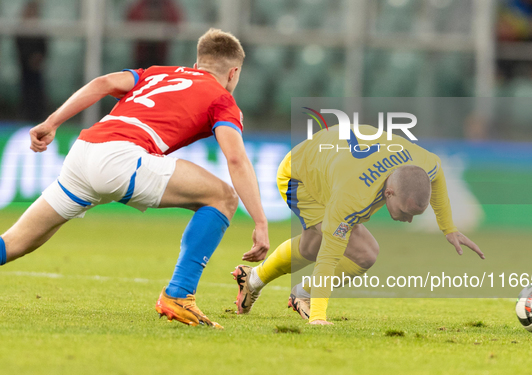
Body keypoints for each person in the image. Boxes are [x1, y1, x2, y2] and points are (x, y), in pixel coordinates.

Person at [0, 28, 270, 329]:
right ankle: (179, 295)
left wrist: (52, 123)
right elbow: (236, 158)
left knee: (15, 242)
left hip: (83, 152)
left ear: (197, 64)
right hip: (121, 159)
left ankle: (179, 295)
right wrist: (260, 221)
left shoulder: (157, 74)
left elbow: (103, 83)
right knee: (223, 197)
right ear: (233, 73)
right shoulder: (222, 99)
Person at [232, 125, 485, 325]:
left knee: (311, 246)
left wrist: (448, 227)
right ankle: (301, 294)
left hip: (333, 156)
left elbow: (438, 173)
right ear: (389, 193)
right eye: (406, 213)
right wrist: (319, 316)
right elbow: (329, 257)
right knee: (362, 251)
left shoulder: (424, 162)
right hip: (299, 174)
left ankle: (253, 279)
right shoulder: (353, 198)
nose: (408, 220)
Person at [16, 0, 48, 121]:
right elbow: (19, 47)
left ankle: (39, 117)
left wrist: (38, 58)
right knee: (26, 93)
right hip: (25, 68)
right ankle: (25, 117)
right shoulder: (20, 30)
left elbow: (44, 46)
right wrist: (28, 59)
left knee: (38, 93)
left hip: (37, 68)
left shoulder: (39, 30)